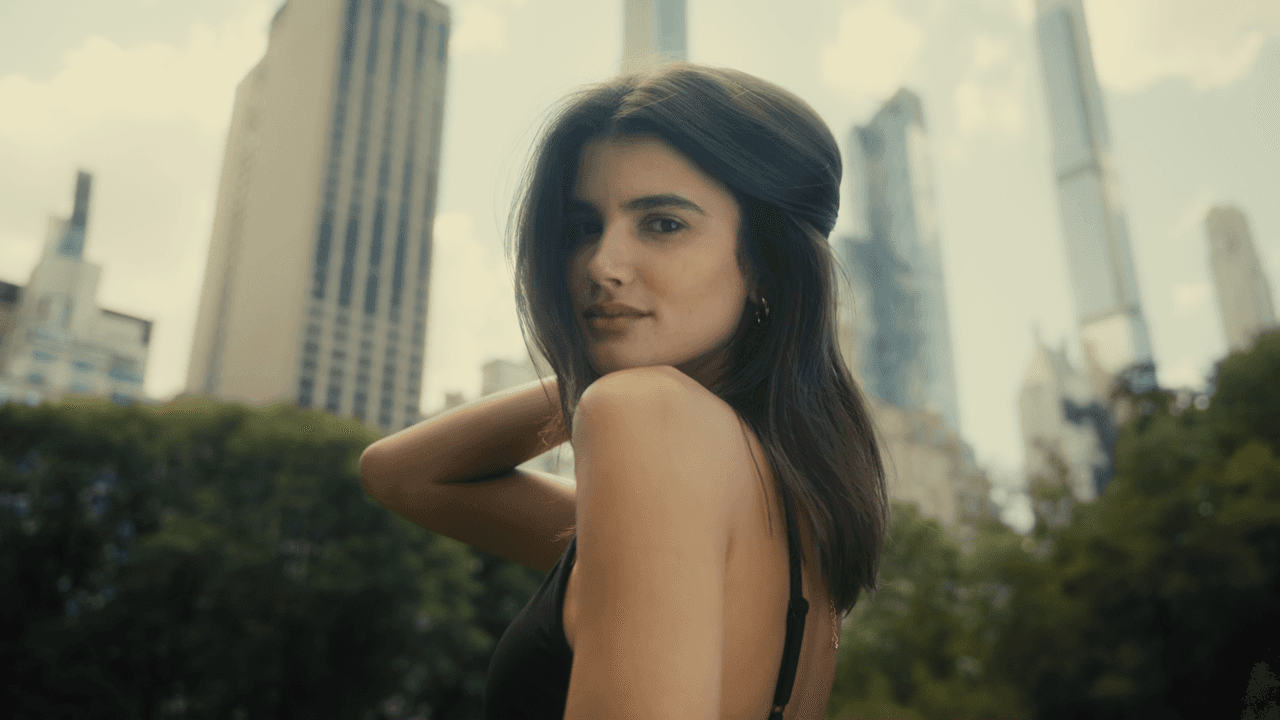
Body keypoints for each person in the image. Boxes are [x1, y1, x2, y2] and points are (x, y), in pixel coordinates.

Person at [359, 62, 888, 720]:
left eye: (662, 224)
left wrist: (615, 383)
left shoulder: (648, 419)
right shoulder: (800, 509)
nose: (601, 265)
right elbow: (402, 474)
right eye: (583, 227)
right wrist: (596, 368)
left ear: (765, 265)